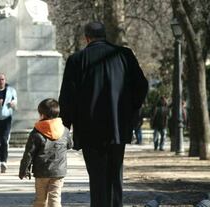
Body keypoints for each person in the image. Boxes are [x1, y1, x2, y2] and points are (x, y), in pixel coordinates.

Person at [58, 22, 148, 207]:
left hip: (89, 128)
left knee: (97, 178)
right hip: (117, 126)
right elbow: (141, 86)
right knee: (115, 175)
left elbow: (67, 97)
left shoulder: (77, 60)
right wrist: (131, 113)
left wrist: (66, 125)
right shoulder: (124, 55)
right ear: (105, 35)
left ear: (87, 37)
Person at [19, 98, 72, 207]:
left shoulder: (36, 132)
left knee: (40, 200)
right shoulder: (64, 130)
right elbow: (70, 145)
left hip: (41, 171)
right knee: (55, 198)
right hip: (58, 171)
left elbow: (29, 153)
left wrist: (24, 170)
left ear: (42, 115)